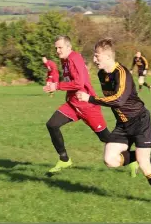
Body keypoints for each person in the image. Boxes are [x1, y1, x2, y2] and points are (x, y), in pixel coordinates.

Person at [76, 38, 151, 206]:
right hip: (122, 124)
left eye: (97, 56)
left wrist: (90, 99)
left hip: (140, 121)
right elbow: (110, 99)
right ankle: (147, 153)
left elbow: (118, 100)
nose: (94, 59)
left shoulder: (122, 73)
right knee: (110, 160)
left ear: (107, 56)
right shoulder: (101, 74)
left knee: (144, 165)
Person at [42, 35, 111, 174]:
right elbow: (70, 81)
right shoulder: (65, 61)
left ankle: (138, 153)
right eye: (56, 48)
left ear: (69, 47)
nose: (57, 51)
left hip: (87, 106)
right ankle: (64, 159)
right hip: (73, 105)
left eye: (60, 47)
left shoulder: (75, 58)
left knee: (107, 139)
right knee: (52, 124)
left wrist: (57, 86)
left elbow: (79, 83)